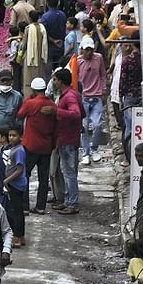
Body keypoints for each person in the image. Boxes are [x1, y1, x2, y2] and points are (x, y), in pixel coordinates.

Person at [18, 78, 57, 214]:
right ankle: (40, 206)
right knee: (43, 177)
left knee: (24, 175)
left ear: (34, 90)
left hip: (31, 145)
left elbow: (20, 115)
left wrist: (28, 99)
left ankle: (24, 206)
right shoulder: (52, 105)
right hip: (46, 146)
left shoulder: (31, 104)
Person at [52, 68, 83, 215]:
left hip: (68, 139)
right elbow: (82, 113)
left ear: (61, 81)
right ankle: (68, 200)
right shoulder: (73, 94)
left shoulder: (69, 96)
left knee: (69, 173)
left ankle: (72, 203)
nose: (54, 82)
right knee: (67, 172)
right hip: (68, 138)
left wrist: (56, 112)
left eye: (55, 79)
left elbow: (76, 113)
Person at [77, 37, 107, 165]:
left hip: (97, 96)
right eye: (86, 50)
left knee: (97, 125)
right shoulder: (77, 61)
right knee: (83, 126)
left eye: (91, 49)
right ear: (82, 50)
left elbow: (102, 74)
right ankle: (85, 152)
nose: (89, 52)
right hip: (83, 97)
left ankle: (94, 149)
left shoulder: (98, 58)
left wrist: (104, 88)